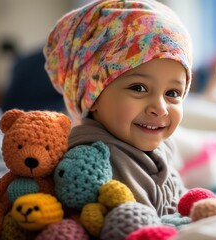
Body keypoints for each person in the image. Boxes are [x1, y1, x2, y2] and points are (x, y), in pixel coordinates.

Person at [44, 0, 192, 216]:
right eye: (139, 88)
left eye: (173, 93)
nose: (160, 109)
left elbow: (179, 202)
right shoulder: (100, 163)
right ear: (92, 96)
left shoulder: (161, 146)